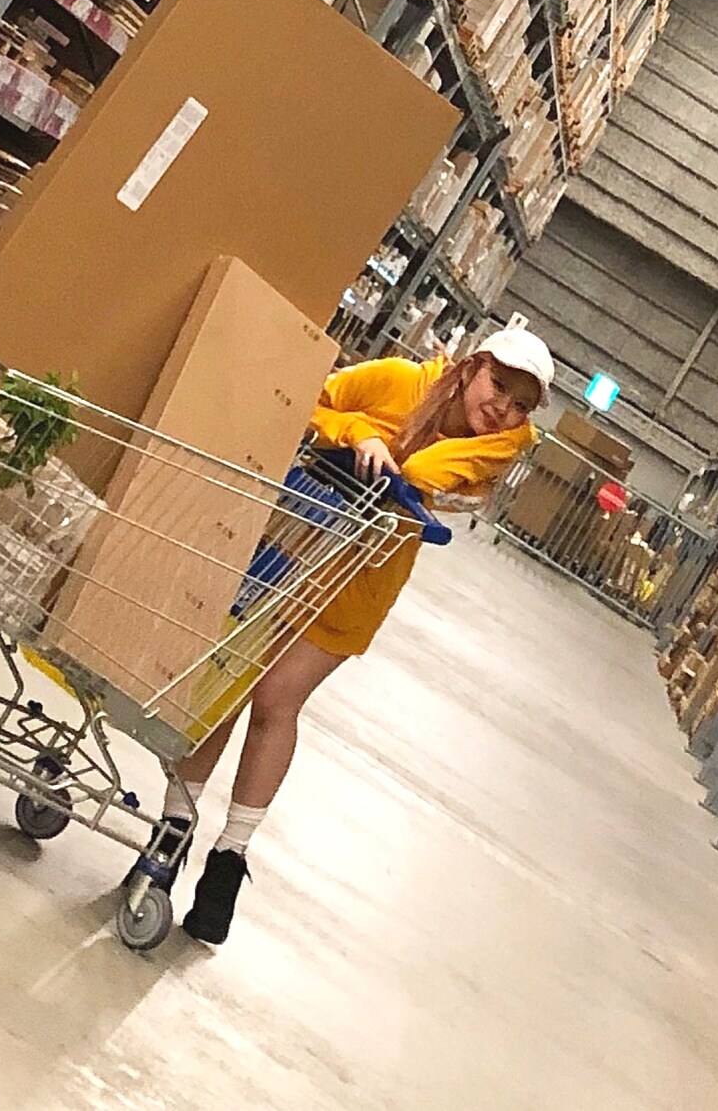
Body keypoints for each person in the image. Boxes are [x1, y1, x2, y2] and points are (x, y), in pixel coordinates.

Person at [142, 325, 554, 945]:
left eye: (520, 405)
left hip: (359, 583)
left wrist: (507, 438)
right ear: (471, 367)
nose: (502, 408)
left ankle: (230, 856)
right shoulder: (395, 380)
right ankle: (172, 831)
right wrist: (358, 431)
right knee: (225, 688)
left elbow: (421, 470)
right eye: (498, 385)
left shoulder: (488, 455)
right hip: (289, 546)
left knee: (276, 699)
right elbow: (303, 398)